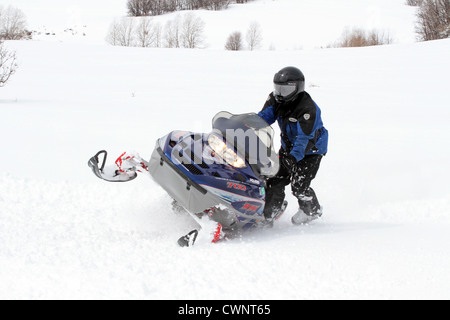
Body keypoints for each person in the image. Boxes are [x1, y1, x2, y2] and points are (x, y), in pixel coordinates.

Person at [258, 66, 328, 225]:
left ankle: (311, 210)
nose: (280, 93)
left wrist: (292, 157)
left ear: (298, 87)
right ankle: (270, 213)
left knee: (299, 185)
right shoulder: (276, 99)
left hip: (311, 149)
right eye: (278, 88)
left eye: (285, 89)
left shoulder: (307, 108)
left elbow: (305, 139)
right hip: (289, 146)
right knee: (275, 177)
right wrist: (245, 127)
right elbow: (262, 119)